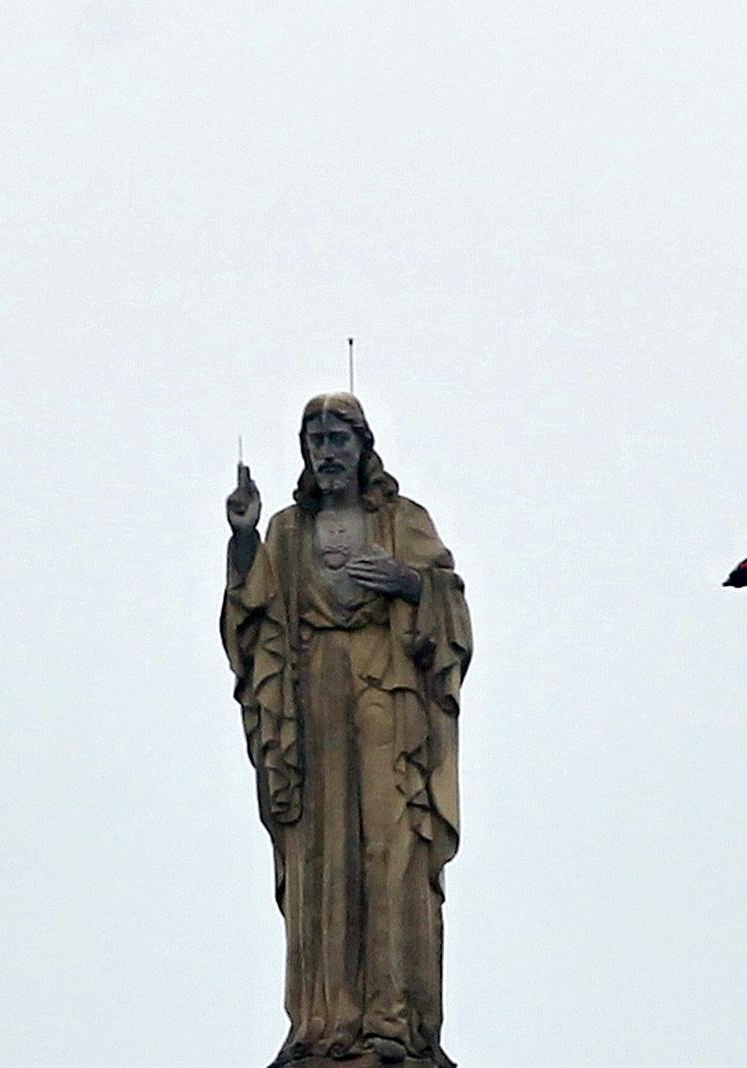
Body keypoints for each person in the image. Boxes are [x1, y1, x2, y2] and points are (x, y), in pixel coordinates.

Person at [222, 393, 471, 1068]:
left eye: (338, 439)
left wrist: (408, 584)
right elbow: (253, 622)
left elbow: (451, 608)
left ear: (362, 447)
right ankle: (323, 1020)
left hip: (388, 698)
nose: (327, 452)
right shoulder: (286, 533)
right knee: (321, 856)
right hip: (312, 706)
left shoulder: (401, 520)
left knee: (391, 851)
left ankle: (396, 1019)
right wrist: (244, 539)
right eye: (317, 441)